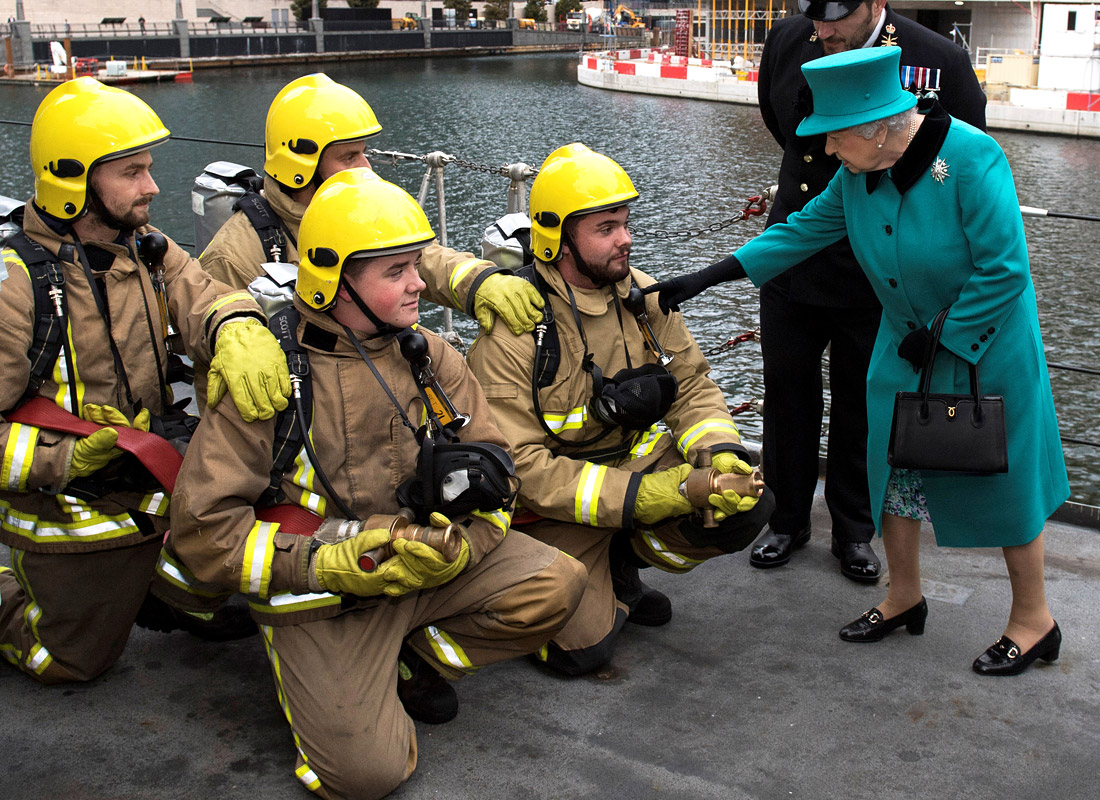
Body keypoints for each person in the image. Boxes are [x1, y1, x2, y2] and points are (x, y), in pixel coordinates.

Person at [646, 47, 1068, 676]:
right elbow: (799, 231)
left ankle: (1034, 622)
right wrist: (710, 276)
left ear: (877, 128)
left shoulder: (975, 160)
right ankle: (903, 597)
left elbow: (1005, 270)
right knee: (891, 475)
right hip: (904, 348)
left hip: (986, 352)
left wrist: (945, 334)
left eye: (835, 139)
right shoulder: (859, 174)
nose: (828, 154)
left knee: (1006, 483)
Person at [168, 168, 586, 800]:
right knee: (368, 778)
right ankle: (337, 671)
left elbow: (498, 470)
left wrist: (455, 547)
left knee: (558, 584)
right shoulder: (272, 375)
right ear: (333, 278)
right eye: (396, 271)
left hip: (419, 571)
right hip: (318, 586)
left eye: (416, 265)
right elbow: (203, 534)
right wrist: (331, 563)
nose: (421, 283)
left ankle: (407, 653)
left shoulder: (431, 358)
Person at [0, 78, 291, 684]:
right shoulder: (13, 286)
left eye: (149, 169)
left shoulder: (145, 251)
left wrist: (238, 326)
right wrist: (66, 461)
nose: (152, 187)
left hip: (149, 473)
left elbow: (206, 296)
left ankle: (171, 587)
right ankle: (12, 602)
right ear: (72, 180)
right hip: (70, 505)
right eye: (132, 173)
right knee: (69, 664)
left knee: (263, 488)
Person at [465, 144, 774, 676]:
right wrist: (646, 496)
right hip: (555, 507)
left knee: (746, 510)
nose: (626, 239)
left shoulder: (643, 297)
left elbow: (693, 386)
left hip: (626, 472)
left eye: (626, 224)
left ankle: (620, 568)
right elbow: (521, 469)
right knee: (581, 656)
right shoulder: (517, 331)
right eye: (606, 229)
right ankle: (601, 577)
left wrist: (718, 450)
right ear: (558, 239)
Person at [752, 0, 987, 581]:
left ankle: (855, 531)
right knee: (787, 394)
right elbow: (782, 123)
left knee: (861, 402)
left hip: (875, 270)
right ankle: (786, 518)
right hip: (792, 253)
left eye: (836, 16)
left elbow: (960, 161)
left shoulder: (937, 61)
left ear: (876, 4)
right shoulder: (787, 40)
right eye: (813, 16)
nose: (821, 28)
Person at [198, 72, 543, 408]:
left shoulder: (358, 210)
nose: (366, 168)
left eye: (364, 153)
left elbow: (421, 257)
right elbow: (223, 376)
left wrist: (479, 281)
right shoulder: (233, 255)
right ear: (300, 167)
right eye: (349, 157)